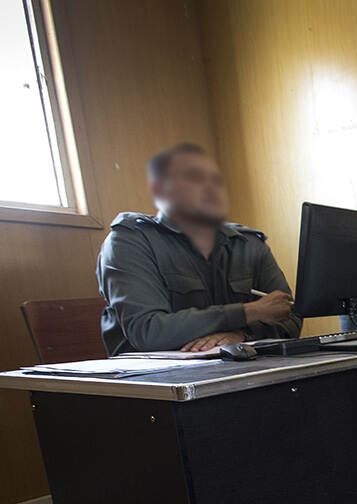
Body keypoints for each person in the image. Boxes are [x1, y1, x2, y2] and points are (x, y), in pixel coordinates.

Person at [97, 142, 300, 354]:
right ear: (159, 189)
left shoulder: (248, 244)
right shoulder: (130, 241)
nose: (210, 188)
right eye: (194, 178)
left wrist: (242, 335)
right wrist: (248, 312)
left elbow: (290, 317)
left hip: (240, 366)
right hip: (153, 371)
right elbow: (147, 331)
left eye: (216, 180)